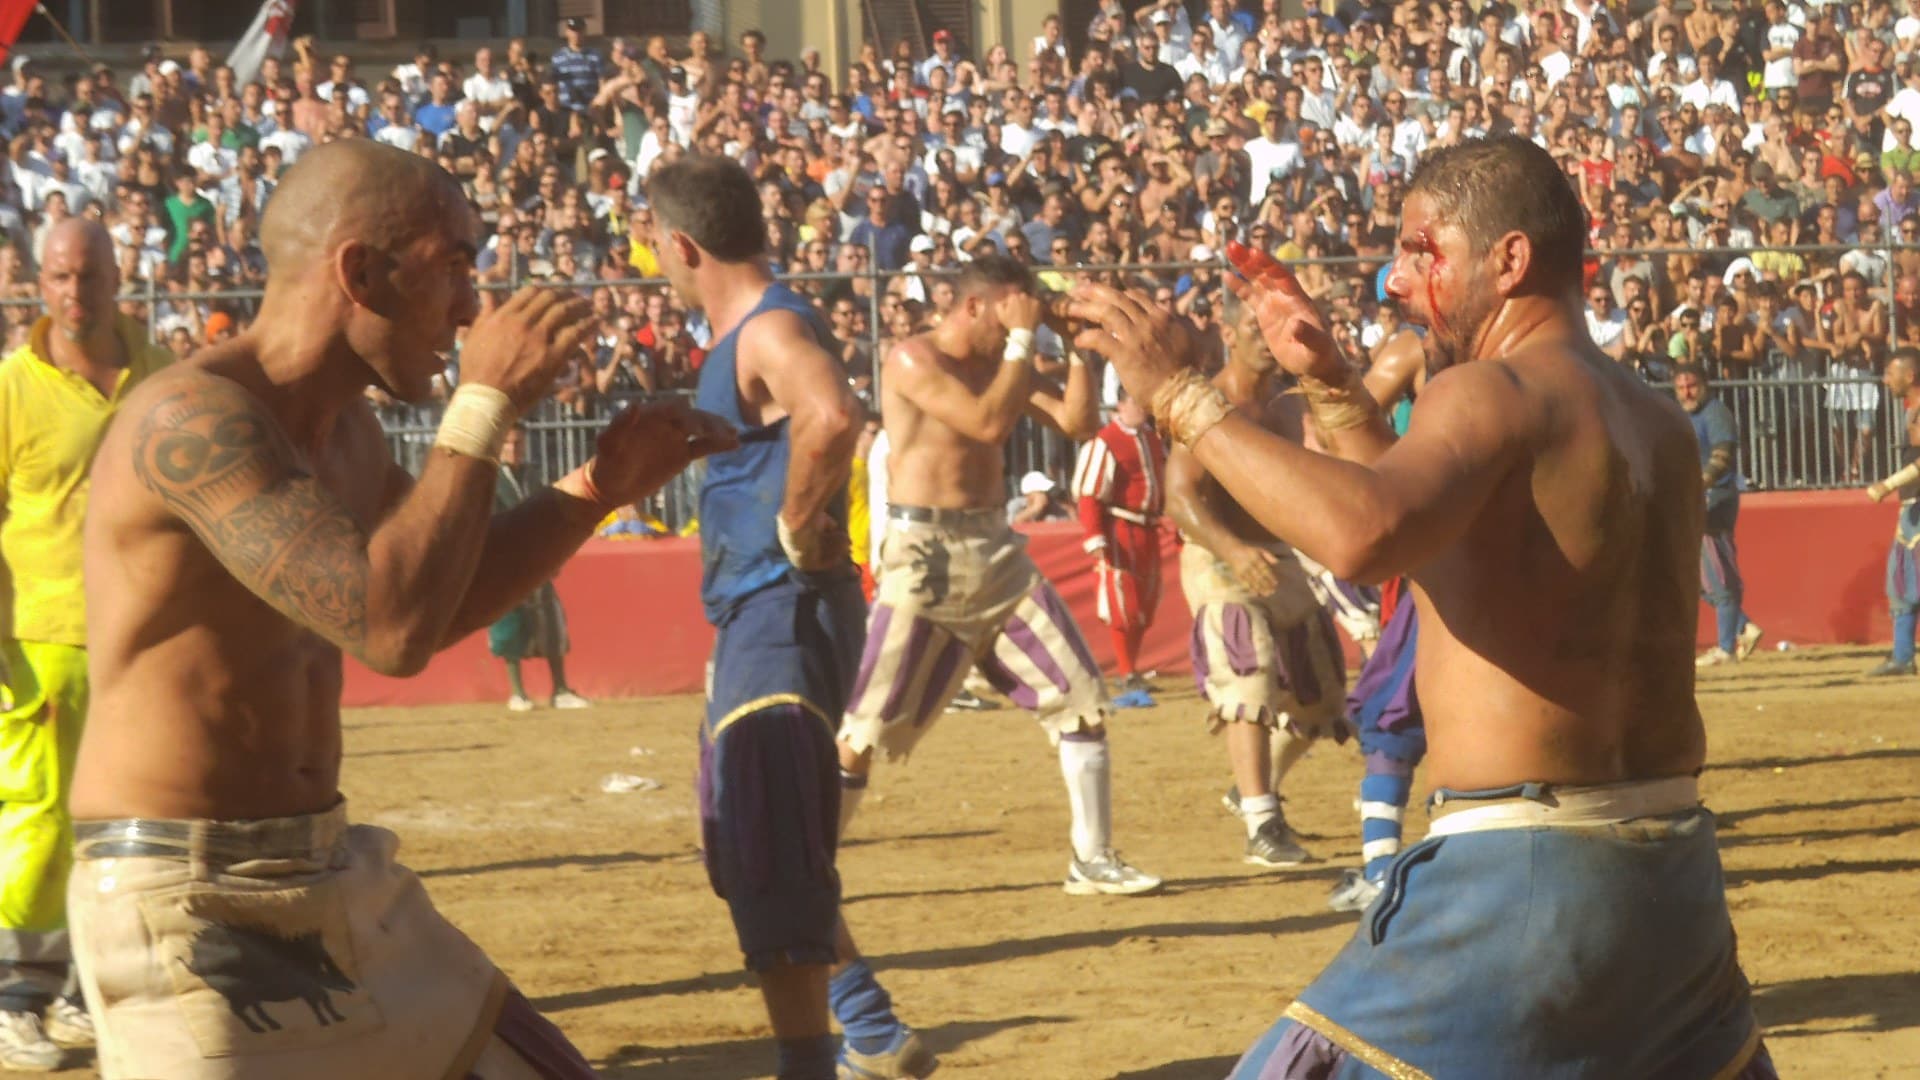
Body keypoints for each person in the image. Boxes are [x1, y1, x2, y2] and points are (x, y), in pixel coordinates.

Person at [1071, 136, 1774, 1080]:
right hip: (1671, 881)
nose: (1393, 283)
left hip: (1519, 883)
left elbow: (1365, 535)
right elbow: (1434, 537)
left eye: (1418, 250)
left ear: (1510, 260)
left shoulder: (1493, 389)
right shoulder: (1651, 417)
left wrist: (1181, 396)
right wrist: (1328, 385)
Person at [72, 139, 734, 1080]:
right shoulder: (193, 421)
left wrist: (593, 489)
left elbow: (435, 605)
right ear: (361, 271)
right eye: (456, 264)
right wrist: (485, 401)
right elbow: (386, 628)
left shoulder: (347, 432)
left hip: (330, 875)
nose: (472, 305)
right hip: (180, 902)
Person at [647, 154, 928, 1080]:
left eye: (654, 242)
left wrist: (800, 526)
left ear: (684, 244)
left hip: (781, 604)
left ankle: (815, 1059)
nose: (652, 256)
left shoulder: (766, 330)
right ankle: (870, 1029)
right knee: (745, 835)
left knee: (763, 835)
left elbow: (832, 415)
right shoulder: (753, 330)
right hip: (760, 608)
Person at [840, 254, 1163, 900]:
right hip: (925, 553)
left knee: (1078, 696)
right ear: (976, 306)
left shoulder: (1003, 363)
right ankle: (807, 862)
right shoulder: (911, 358)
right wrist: (1022, 340)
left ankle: (1092, 858)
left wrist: (1080, 352)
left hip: (994, 549)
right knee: (865, 729)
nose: (1025, 326)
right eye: (1014, 313)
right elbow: (987, 421)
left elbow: (1076, 423)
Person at [0, 220, 171, 1071]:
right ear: (40, 283)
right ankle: (14, 997)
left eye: (91, 276)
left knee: (123, 824)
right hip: (45, 636)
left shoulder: (160, 372)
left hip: (142, 636)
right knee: (38, 818)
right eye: (62, 277)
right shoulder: (11, 388)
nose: (77, 294)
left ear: (117, 275)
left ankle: (75, 989)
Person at [1164, 287, 1349, 868]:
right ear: (1227, 331)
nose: (1264, 341)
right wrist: (1231, 548)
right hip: (1217, 554)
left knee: (1323, 698)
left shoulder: (1292, 407)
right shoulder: (1207, 403)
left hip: (1278, 554)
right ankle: (1261, 821)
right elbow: (1179, 496)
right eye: (1252, 328)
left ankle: (1250, 789)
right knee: (1249, 677)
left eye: (1273, 330)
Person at [1071, 389, 1168, 707]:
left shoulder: (1151, 439)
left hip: (1149, 528)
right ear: (1122, 404)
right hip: (1119, 529)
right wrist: (1095, 536)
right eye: (1138, 403)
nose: (1144, 409)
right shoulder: (1105, 441)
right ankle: (1127, 671)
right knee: (1122, 601)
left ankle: (1133, 669)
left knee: (1145, 602)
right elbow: (1089, 495)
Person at [487, 424, 592, 712]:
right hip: (505, 561)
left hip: (537, 560)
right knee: (509, 624)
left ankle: (560, 689)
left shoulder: (533, 476)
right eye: (508, 443)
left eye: (518, 443)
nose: (514, 449)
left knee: (551, 622)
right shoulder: (491, 480)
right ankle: (518, 692)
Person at [1676, 365, 1765, 667]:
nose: (1687, 392)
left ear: (1705, 385)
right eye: (1681, 387)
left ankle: (1727, 648)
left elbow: (1722, 457)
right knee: (1696, 577)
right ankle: (1743, 626)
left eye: (1692, 385)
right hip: (1697, 500)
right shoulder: (1686, 417)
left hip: (1715, 500)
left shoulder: (1715, 413)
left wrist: (1695, 487)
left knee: (1718, 575)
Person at [1865, 348, 1920, 677]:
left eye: (1891, 373)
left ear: (1909, 376)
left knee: (1904, 577)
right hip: (1912, 506)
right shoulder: (1911, 411)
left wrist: (1889, 483)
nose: (1886, 380)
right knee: (1902, 579)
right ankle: (1902, 656)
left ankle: (1902, 656)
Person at [1008, 469, 1073, 523]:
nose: (1045, 495)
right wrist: (1035, 508)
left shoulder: (1053, 508)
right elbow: (1012, 524)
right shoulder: (1016, 505)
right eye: (1041, 492)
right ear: (1028, 494)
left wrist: (1070, 509)